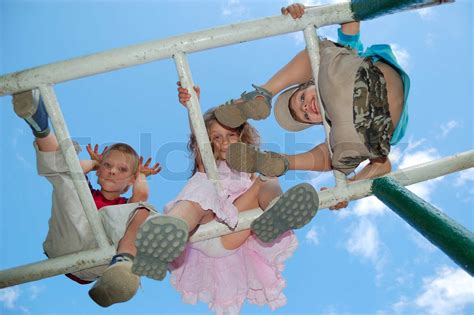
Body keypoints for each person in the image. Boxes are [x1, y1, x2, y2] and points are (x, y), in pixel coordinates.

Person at [130, 83, 319, 314]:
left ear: (241, 135)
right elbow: (198, 134)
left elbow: (259, 177)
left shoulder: (248, 170)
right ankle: (167, 235)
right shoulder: (207, 164)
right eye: (216, 137)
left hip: (231, 234)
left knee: (267, 177)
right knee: (199, 196)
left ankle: (276, 211)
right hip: (199, 227)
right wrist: (192, 105)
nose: (224, 142)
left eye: (230, 135)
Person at [216, 3, 410, 186]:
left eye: (302, 98)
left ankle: (263, 95)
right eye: (306, 116)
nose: (307, 107)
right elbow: (382, 164)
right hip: (361, 131)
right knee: (336, 152)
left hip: (359, 79)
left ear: (308, 84)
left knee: (317, 53)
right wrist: (350, 187)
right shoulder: (334, 124)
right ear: (319, 123)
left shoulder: (341, 61)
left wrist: (307, 12)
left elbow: (349, 16)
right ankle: (279, 161)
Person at [11, 89, 161, 307]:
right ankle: (39, 124)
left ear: (130, 179)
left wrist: (141, 175)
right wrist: (94, 164)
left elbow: (142, 195)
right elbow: (73, 170)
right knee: (69, 176)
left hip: (103, 259)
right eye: (107, 165)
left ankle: (122, 269)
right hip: (67, 240)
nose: (112, 171)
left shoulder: (123, 207)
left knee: (142, 211)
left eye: (122, 169)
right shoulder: (87, 192)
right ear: (99, 172)